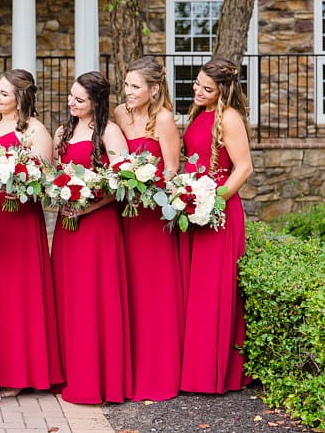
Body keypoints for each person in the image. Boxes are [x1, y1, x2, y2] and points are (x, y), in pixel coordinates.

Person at [0, 69, 63, 396]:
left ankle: (19, 372)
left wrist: (18, 183)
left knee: (15, 292)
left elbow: (43, 181)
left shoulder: (36, 130)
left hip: (18, 217)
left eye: (4, 93)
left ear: (21, 98)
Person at [51, 71, 133, 404]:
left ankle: (98, 379)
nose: (72, 103)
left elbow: (122, 183)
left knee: (94, 299)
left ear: (96, 102)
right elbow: (55, 175)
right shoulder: (62, 132)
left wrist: (87, 206)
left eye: (79, 99)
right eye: (70, 97)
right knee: (69, 298)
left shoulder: (110, 132)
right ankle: (70, 371)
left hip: (97, 225)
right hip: (67, 224)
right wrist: (61, 194)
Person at [180, 58, 253, 394]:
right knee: (197, 293)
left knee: (213, 293)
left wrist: (215, 199)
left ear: (223, 90)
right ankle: (195, 370)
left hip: (219, 213)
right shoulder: (200, 114)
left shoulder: (229, 117)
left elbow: (244, 168)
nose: (198, 91)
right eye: (197, 84)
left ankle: (214, 374)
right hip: (197, 210)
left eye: (206, 89)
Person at [113, 56, 183, 401]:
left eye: (135, 87)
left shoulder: (165, 121)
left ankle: (157, 375)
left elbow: (172, 172)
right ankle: (127, 374)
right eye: (126, 85)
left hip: (152, 220)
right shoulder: (119, 114)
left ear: (154, 90)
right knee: (127, 293)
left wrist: (148, 188)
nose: (128, 92)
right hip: (123, 218)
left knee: (153, 295)